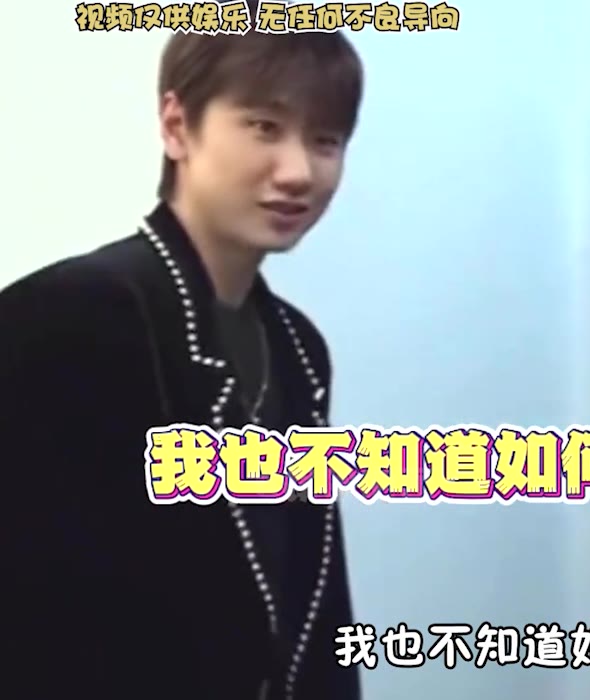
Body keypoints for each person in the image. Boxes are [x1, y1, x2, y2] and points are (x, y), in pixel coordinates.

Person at [1, 9, 364, 700]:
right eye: (264, 127)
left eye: (326, 140)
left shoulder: (297, 348)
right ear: (176, 126)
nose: (299, 171)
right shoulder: (68, 317)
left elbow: (314, 609)